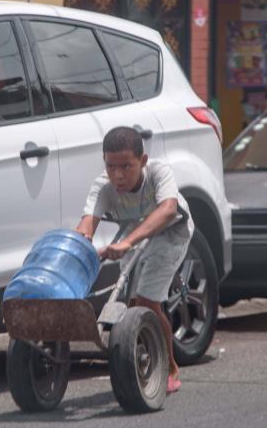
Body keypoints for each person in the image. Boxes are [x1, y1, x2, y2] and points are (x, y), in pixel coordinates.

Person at [75, 126, 194, 395]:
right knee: (129, 305)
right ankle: (134, 361)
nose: (117, 175)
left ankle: (171, 368)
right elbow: (86, 225)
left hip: (172, 232)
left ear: (142, 161)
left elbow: (168, 210)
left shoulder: (159, 172)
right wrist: (79, 248)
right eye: (111, 166)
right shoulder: (103, 186)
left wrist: (128, 242)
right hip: (133, 231)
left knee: (147, 304)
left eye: (126, 166)